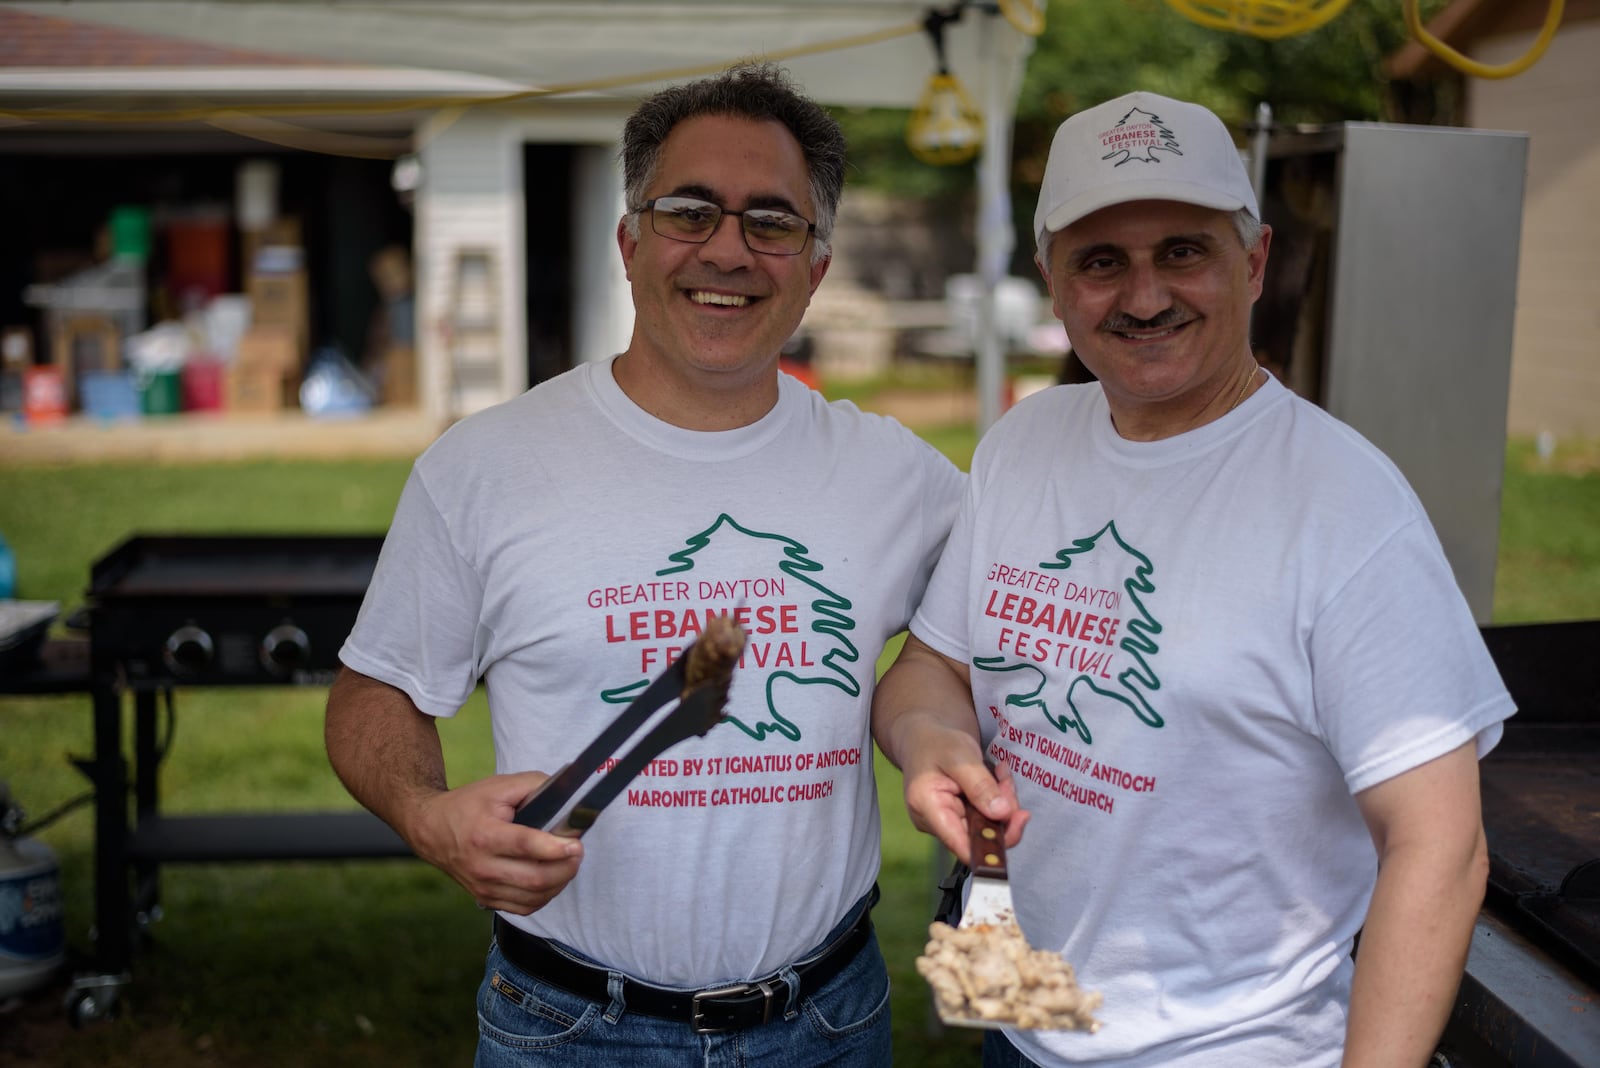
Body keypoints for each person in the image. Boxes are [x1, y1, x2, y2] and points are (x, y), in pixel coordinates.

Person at [325, 62, 964, 1066]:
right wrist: (427, 814)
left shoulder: (899, 477)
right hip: (570, 1027)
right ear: (629, 240)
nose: (728, 250)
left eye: (771, 221)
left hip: (826, 1023)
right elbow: (374, 694)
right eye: (689, 210)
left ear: (816, 266)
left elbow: (979, 641)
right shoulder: (484, 467)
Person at [872, 90, 1515, 1068]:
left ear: (1251, 264)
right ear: (1050, 281)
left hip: (1233, 1046)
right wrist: (928, 744)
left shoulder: (1343, 507)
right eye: (1100, 262)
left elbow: (1439, 847)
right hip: (1025, 1022)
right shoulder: (1025, 446)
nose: (1141, 296)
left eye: (1182, 251)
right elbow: (930, 668)